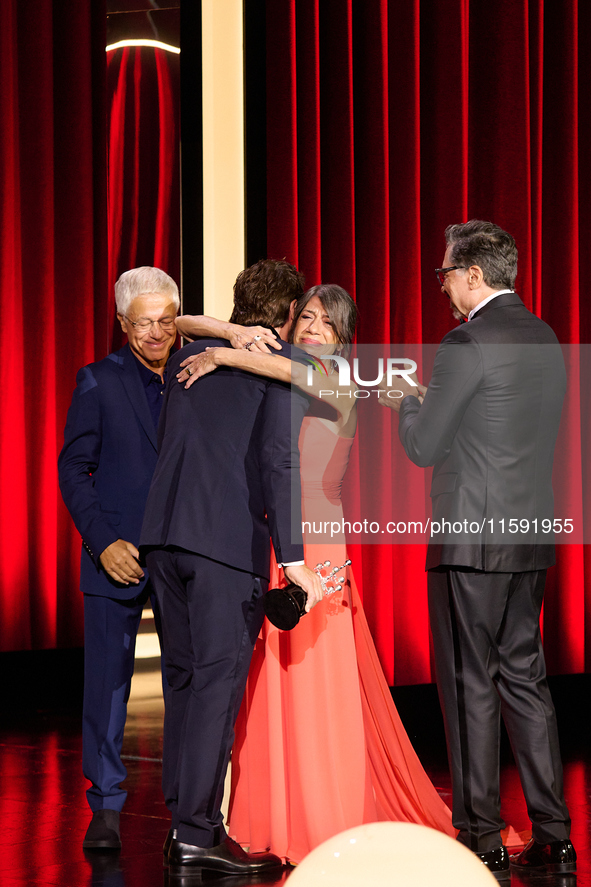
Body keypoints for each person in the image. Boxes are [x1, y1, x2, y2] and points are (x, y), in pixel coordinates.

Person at [177, 283, 455, 865]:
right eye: (305, 316)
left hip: (318, 547)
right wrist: (229, 334)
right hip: (273, 539)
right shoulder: (281, 366)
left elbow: (303, 378)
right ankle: (269, 817)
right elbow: (181, 322)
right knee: (267, 689)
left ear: (343, 338)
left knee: (313, 686)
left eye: (326, 324)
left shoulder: (334, 377)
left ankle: (325, 815)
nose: (312, 329)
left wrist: (225, 354)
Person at [378, 220, 575, 880]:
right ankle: (555, 828)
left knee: (470, 686)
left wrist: (409, 403)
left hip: (470, 538)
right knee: (526, 676)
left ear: (471, 275)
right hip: (531, 534)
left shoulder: (466, 340)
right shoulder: (545, 335)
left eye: (443, 274)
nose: (441, 285)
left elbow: (424, 445)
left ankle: (480, 831)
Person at [139, 260, 324, 878]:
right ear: (289, 315)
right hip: (220, 546)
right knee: (215, 692)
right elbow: (280, 463)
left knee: (184, 687)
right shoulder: (279, 371)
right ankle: (197, 833)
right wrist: (293, 559)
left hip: (163, 538)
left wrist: (220, 338)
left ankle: (183, 827)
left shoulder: (194, 355)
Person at [58, 266, 179, 849]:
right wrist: (102, 542)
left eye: (166, 320)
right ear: (122, 325)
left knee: (186, 684)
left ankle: (191, 805)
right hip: (115, 555)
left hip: (184, 555)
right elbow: (73, 470)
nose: (156, 333)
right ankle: (105, 803)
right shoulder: (98, 381)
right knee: (108, 685)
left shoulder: (199, 374)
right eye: (143, 323)